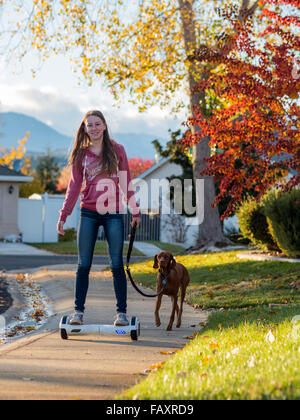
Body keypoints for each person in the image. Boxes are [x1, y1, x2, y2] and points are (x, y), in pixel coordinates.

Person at [56, 110, 141, 327]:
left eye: (97, 124)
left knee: (116, 264)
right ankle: (78, 312)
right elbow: (74, 187)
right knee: (83, 264)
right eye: (89, 125)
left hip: (113, 212)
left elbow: (126, 182)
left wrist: (135, 210)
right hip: (89, 213)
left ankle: (121, 314)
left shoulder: (117, 150)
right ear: (85, 129)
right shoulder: (81, 154)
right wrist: (64, 215)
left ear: (104, 126)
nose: (93, 128)